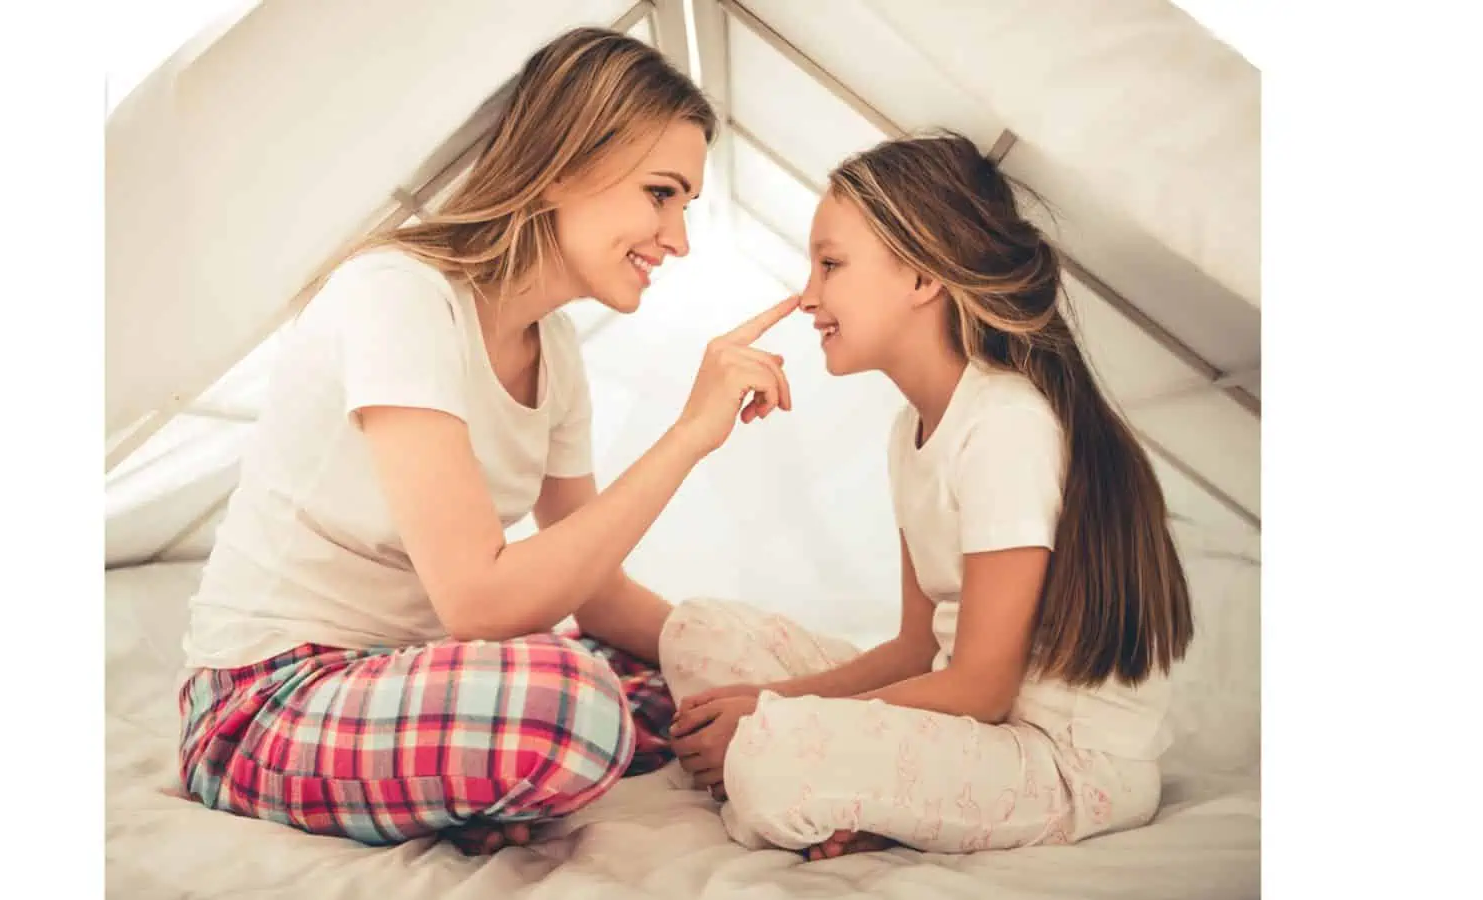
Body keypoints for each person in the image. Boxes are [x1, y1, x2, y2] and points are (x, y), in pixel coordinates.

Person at [173, 26, 801, 855]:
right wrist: (689, 435)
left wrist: (766, 681)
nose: (679, 238)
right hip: (267, 702)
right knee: (577, 707)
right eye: (661, 193)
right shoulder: (399, 297)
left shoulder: (558, 352)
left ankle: (492, 788)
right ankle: (499, 783)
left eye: (684, 204)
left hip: (411, 677)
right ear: (566, 165)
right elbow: (481, 601)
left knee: (684, 695)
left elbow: (598, 595)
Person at [660, 131, 1196, 861]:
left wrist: (776, 716)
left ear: (921, 277)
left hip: (1060, 765)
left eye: (830, 264)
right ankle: (872, 797)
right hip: (966, 718)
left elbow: (980, 687)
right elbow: (919, 647)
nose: (807, 296)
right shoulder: (911, 429)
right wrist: (769, 705)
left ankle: (859, 795)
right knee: (694, 633)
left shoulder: (1006, 424)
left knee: (767, 758)